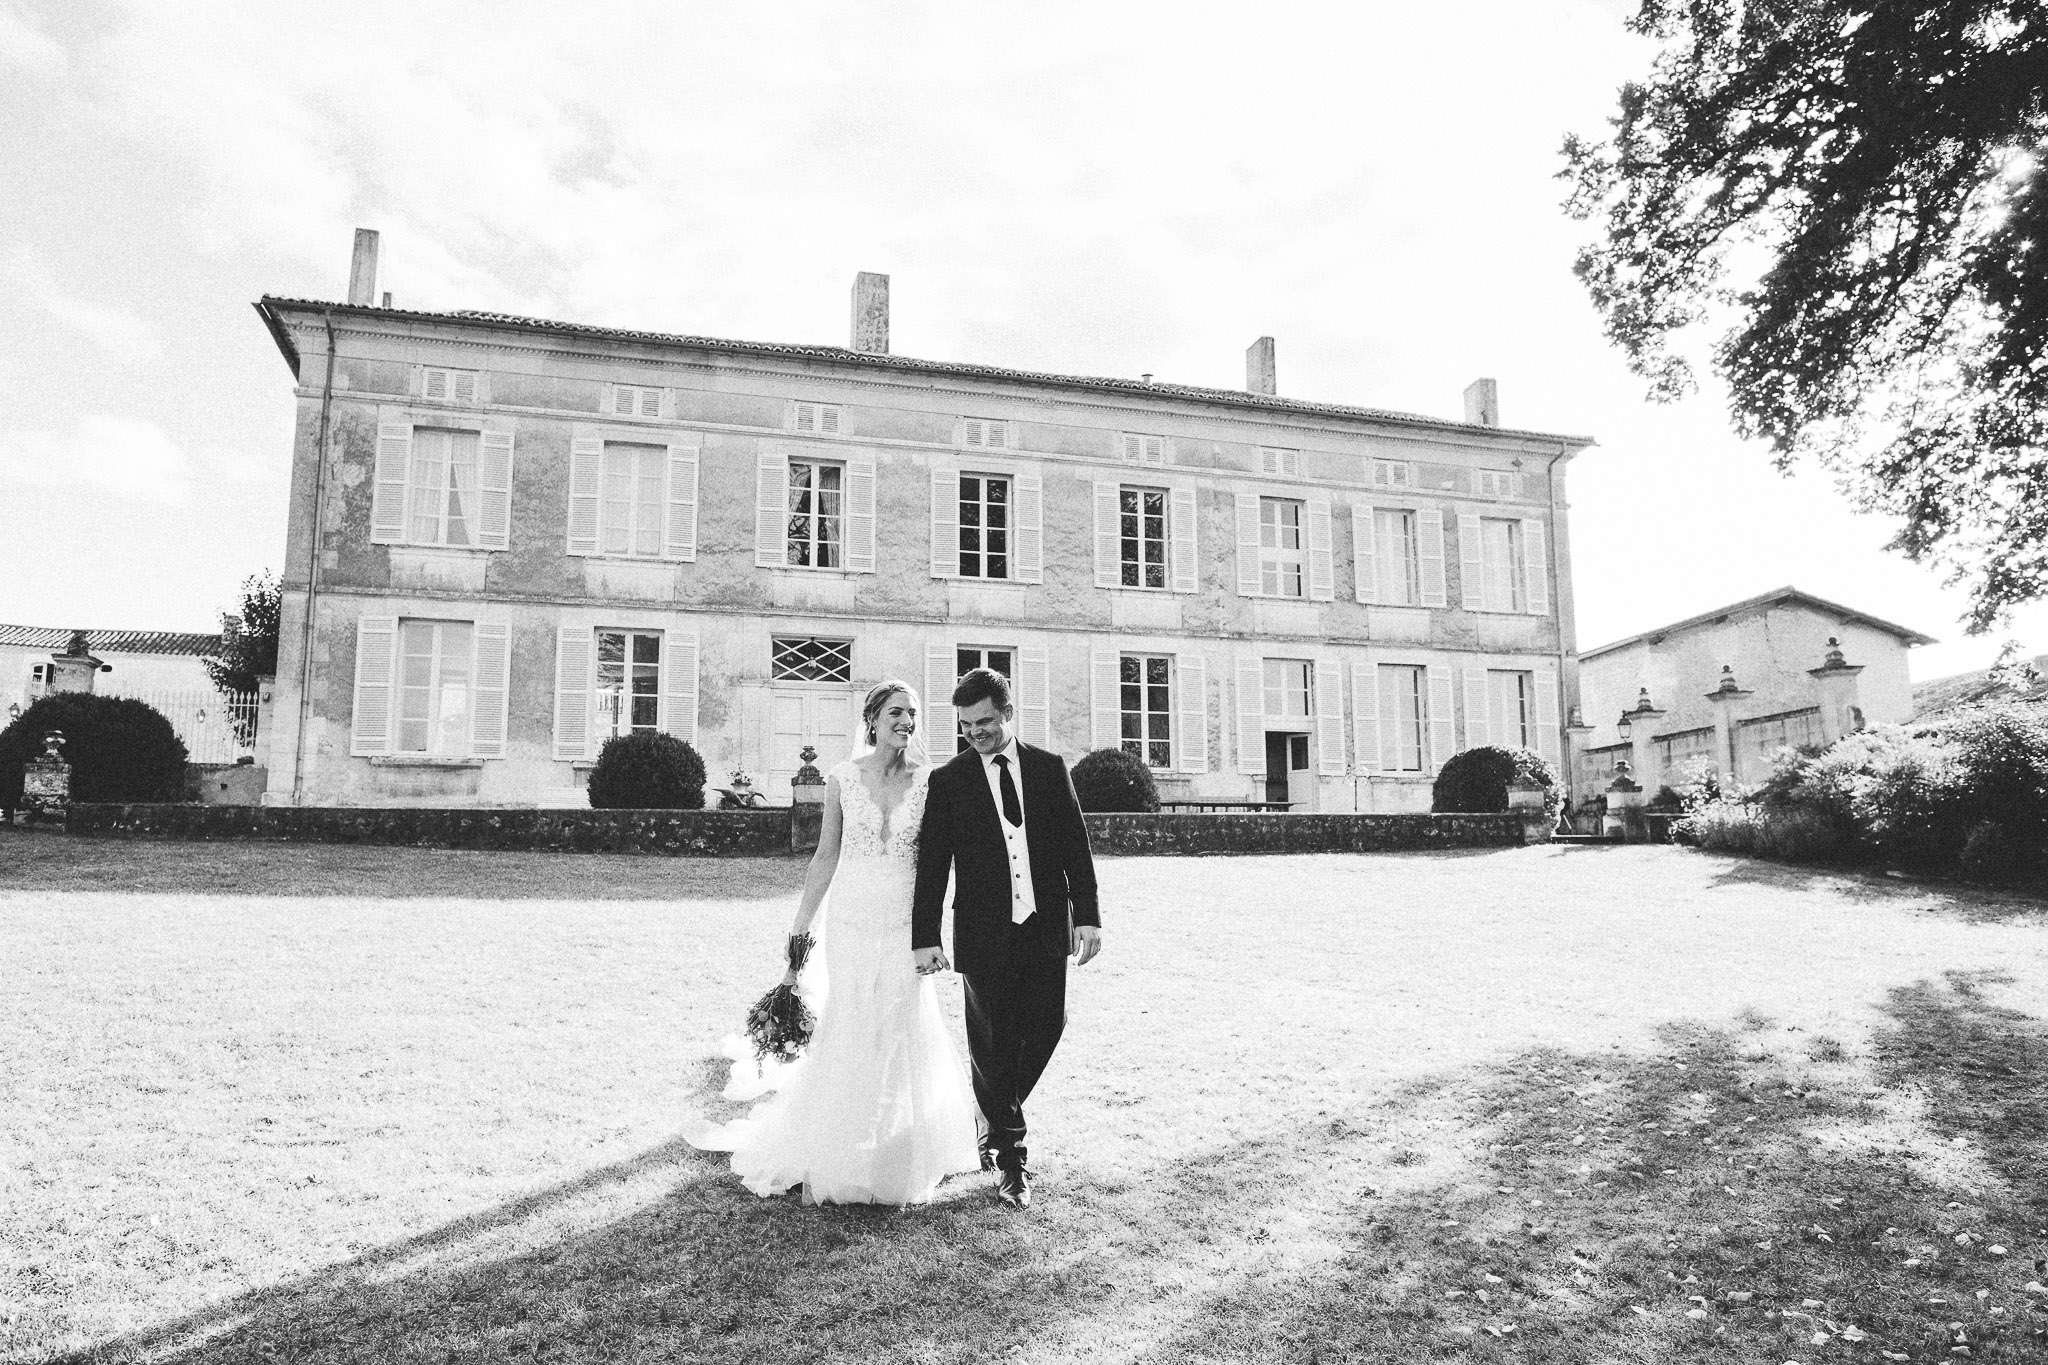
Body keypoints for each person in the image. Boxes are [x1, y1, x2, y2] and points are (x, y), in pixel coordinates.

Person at [688, 681, 981, 1205]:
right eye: (896, 712)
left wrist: (939, 928)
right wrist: (801, 926)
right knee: (854, 1018)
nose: (906, 722)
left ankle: (898, 1146)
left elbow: (944, 858)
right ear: (872, 719)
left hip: (906, 919)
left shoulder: (932, 780)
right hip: (851, 917)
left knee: (901, 1020)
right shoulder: (843, 778)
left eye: (912, 714)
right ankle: (841, 1143)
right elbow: (826, 855)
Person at [912, 667, 1102, 1209]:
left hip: (1046, 925)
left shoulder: (1048, 768)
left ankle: (990, 1111)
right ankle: (1011, 1157)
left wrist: (1088, 916)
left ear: (1008, 713)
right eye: (966, 725)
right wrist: (925, 935)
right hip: (982, 930)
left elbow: (1075, 847)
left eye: (985, 721)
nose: (975, 732)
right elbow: (933, 865)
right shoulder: (948, 781)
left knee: (1047, 1025)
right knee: (992, 1040)